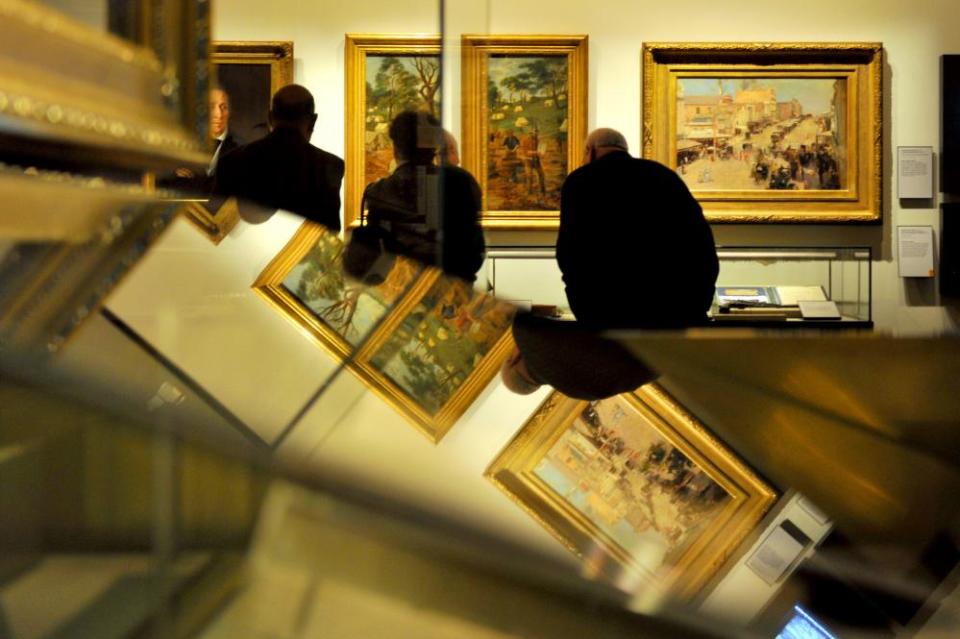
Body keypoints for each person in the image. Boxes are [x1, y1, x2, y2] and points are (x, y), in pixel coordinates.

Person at [556, 128, 719, 329]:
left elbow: (570, 251)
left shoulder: (579, 181)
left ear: (590, 151)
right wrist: (697, 303)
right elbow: (700, 241)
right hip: (672, 308)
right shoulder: (663, 175)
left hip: (605, 310)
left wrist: (583, 304)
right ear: (624, 149)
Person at [348, 110, 484, 282]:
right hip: (454, 290)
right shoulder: (461, 181)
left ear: (396, 149)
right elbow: (474, 253)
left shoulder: (378, 191)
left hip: (404, 289)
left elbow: (374, 260)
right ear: (433, 148)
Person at [215, 84, 344, 229]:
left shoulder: (231, 161)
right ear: (313, 121)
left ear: (270, 117)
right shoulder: (331, 166)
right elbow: (330, 230)